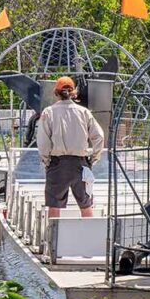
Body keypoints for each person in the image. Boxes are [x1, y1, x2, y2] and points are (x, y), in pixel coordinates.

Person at [37, 76, 105, 218]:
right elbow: (99, 136)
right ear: (74, 92)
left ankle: (53, 238)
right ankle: (89, 236)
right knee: (86, 205)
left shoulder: (48, 112)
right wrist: (93, 159)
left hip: (57, 164)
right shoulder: (84, 112)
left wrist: (46, 161)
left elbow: (43, 142)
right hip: (80, 163)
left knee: (54, 206)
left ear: (56, 93)